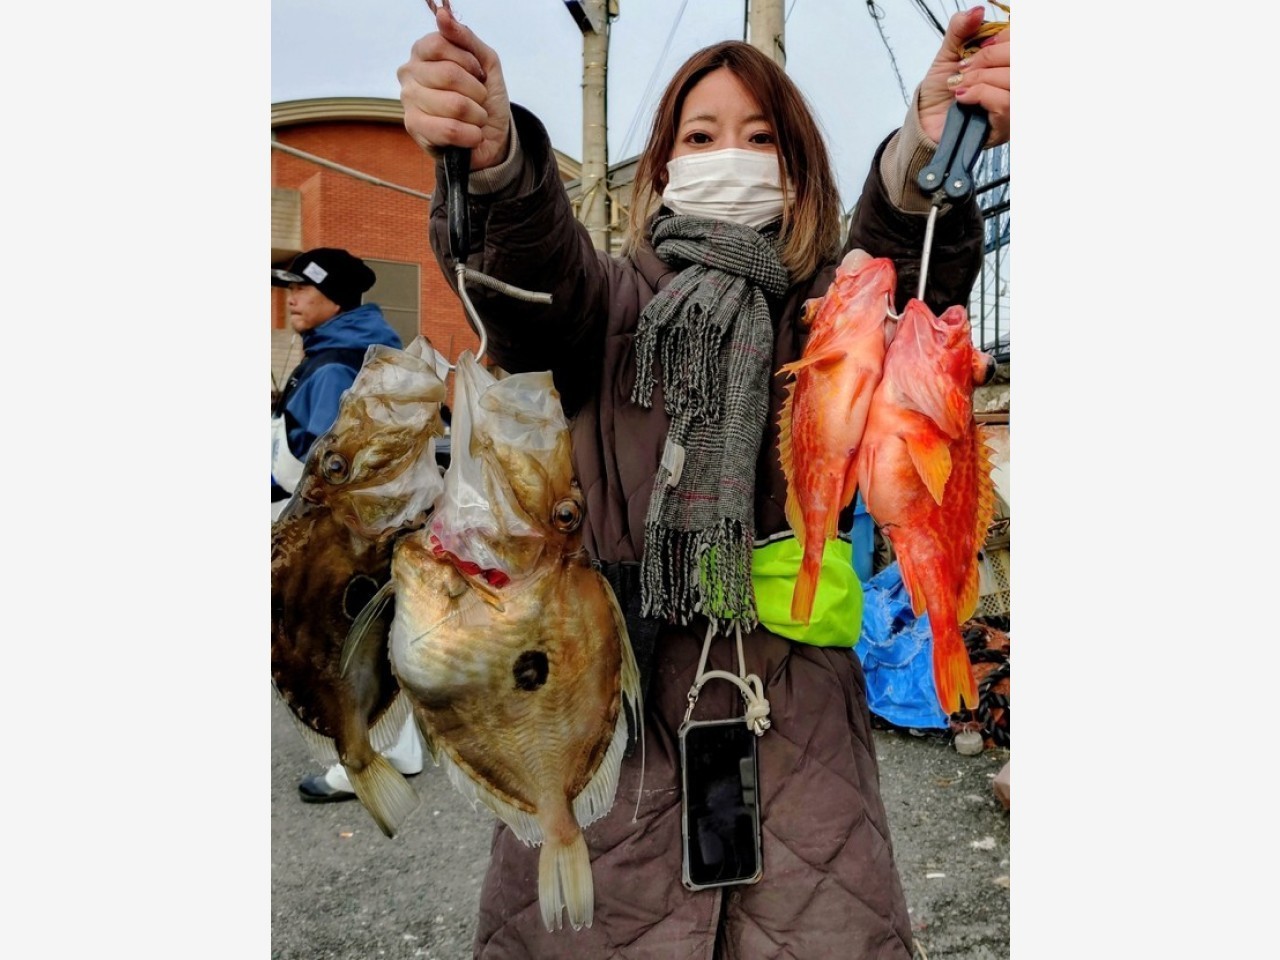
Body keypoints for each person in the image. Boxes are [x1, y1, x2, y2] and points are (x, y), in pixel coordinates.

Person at [399, 3, 1009, 956]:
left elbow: (900, 267)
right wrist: (496, 165)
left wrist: (927, 160)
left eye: (762, 137)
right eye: (702, 133)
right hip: (615, 711)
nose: (733, 152)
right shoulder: (601, 301)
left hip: (798, 721)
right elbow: (533, 274)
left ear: (797, 165)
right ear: (664, 165)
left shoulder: (827, 310)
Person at [269, 246, 426, 803]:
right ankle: (397, 746)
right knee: (367, 634)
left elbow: (331, 464)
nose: (291, 298)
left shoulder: (337, 362)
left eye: (302, 288)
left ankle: (362, 756)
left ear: (335, 298)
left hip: (324, 535)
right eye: (288, 288)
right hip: (352, 536)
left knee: (333, 642)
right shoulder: (352, 349)